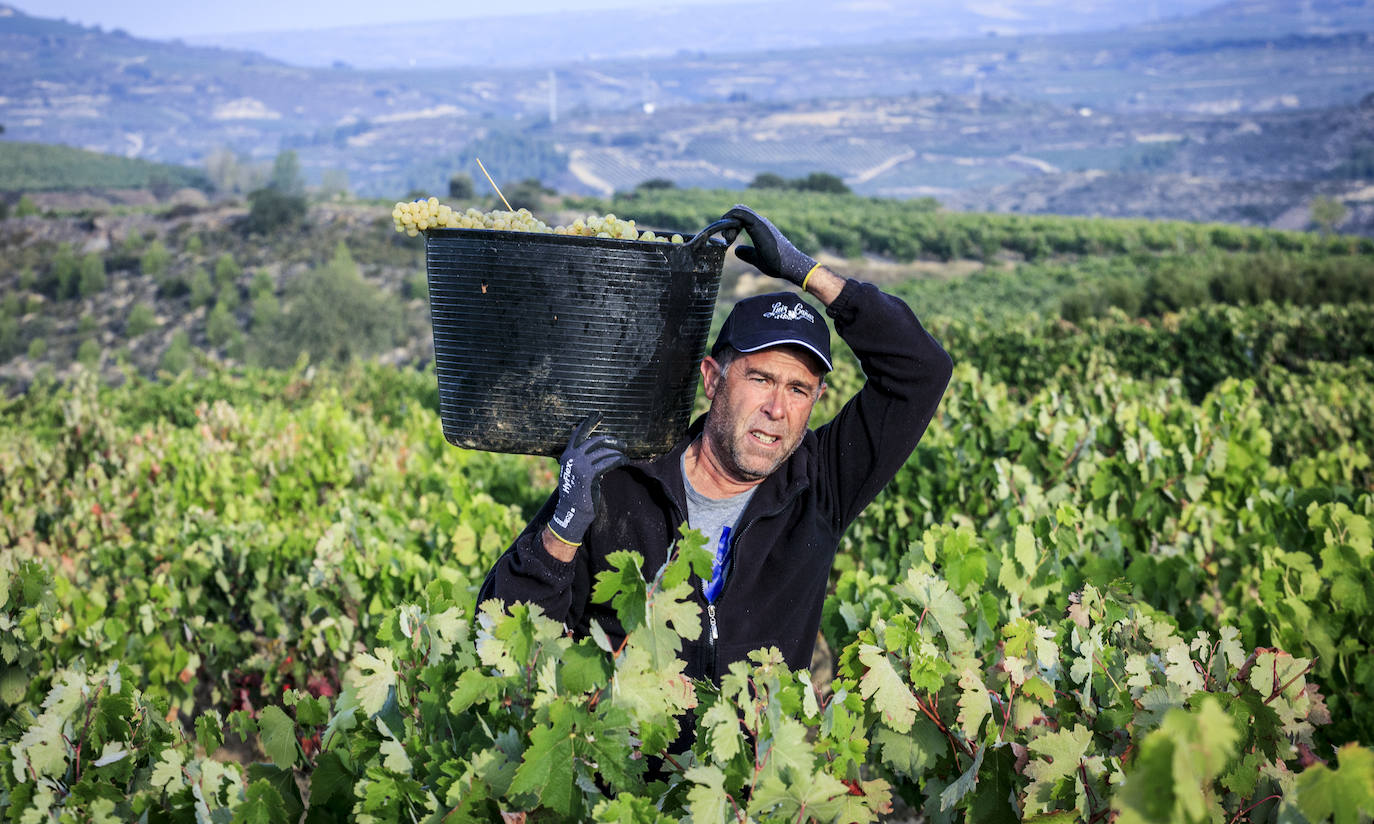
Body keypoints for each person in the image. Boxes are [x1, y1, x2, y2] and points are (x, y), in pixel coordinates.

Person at [477, 204, 953, 683]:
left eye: (798, 389)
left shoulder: (823, 483)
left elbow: (922, 370)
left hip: (759, 759)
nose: (777, 409)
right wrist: (562, 530)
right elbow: (505, 643)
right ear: (712, 379)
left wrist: (809, 275)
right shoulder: (619, 481)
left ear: (817, 399)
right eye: (761, 379)